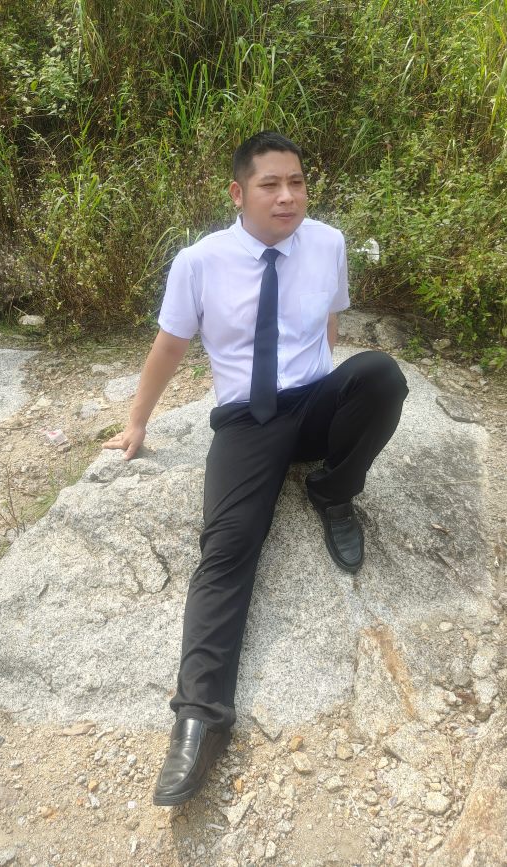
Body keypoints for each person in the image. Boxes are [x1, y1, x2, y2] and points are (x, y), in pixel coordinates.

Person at [103, 131, 409, 806]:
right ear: (238, 194)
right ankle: (200, 716)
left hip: (314, 401)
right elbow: (170, 345)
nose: (287, 196)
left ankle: (332, 492)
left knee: (380, 375)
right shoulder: (200, 262)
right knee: (227, 549)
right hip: (248, 419)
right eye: (271, 185)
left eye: (297, 182)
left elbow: (328, 327)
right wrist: (137, 422)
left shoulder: (327, 243)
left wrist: (330, 400)